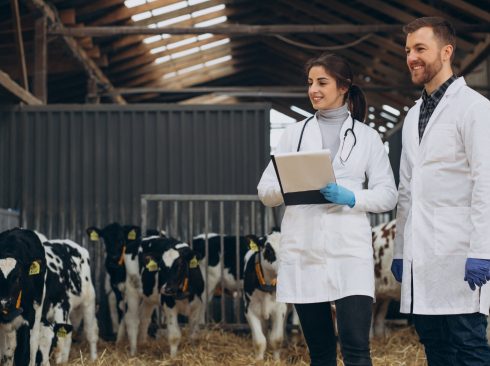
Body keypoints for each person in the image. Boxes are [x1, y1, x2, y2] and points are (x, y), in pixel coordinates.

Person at [257, 53, 397, 366]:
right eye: (310, 83)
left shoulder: (367, 138)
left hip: (350, 254)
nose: (313, 90)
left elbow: (388, 195)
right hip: (305, 253)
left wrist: (352, 197)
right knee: (320, 353)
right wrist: (288, 184)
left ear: (344, 86)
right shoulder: (293, 135)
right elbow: (265, 191)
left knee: (357, 349)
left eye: (322, 82)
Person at [391, 17, 490, 365]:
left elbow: (486, 182)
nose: (411, 58)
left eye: (420, 48)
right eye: (407, 50)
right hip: (423, 257)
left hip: (460, 253)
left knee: (467, 344)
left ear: (447, 51)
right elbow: (406, 190)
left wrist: (482, 250)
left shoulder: (475, 109)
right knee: (434, 345)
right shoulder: (413, 114)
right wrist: (401, 249)